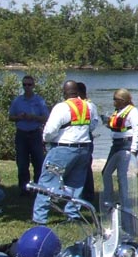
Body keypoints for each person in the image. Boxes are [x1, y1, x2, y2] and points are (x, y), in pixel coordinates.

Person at [32, 80, 100, 224]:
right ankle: (73, 214)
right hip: (84, 148)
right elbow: (93, 125)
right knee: (76, 184)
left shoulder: (61, 107)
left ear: (64, 93)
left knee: (47, 181)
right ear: (77, 92)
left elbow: (50, 130)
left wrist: (46, 140)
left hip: (63, 148)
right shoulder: (89, 106)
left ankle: (40, 217)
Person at [101, 88, 138, 214]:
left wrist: (134, 149)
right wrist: (106, 122)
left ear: (123, 100)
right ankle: (108, 202)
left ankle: (126, 205)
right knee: (106, 172)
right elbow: (116, 127)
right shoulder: (118, 112)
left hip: (126, 144)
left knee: (122, 175)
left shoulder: (133, 111)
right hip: (116, 145)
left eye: (116, 99)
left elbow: (137, 131)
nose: (113, 102)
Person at [8, 74, 48, 194]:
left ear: (33, 85)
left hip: (35, 134)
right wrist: (18, 117)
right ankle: (24, 188)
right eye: (24, 84)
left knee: (38, 162)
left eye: (29, 84)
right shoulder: (17, 101)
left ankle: (38, 188)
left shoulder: (39, 101)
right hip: (21, 134)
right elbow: (10, 117)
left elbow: (45, 118)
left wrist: (33, 117)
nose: (27, 87)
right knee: (22, 163)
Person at [76, 81, 98, 204]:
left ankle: (88, 194)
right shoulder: (74, 105)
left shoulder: (90, 106)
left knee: (86, 165)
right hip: (75, 137)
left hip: (87, 137)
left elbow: (94, 122)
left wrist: (85, 129)